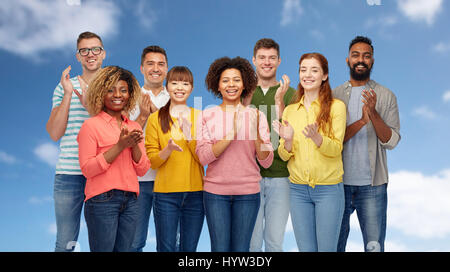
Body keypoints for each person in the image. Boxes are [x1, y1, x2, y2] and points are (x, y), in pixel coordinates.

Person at [196, 56, 274, 252]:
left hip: (247, 193)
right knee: (220, 249)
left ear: (245, 83)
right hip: (215, 194)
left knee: (241, 250)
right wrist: (232, 132)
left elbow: (266, 161)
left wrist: (255, 131)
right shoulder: (206, 115)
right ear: (218, 85)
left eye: (236, 80)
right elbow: (203, 157)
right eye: (225, 80)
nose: (231, 84)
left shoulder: (257, 115)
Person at [273, 52, 346, 252]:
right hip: (297, 191)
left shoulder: (336, 107)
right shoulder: (290, 110)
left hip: (328, 190)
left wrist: (318, 138)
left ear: (324, 75)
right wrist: (287, 141)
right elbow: (284, 153)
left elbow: (336, 148)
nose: (308, 74)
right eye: (303, 70)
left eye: (314, 70)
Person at [334, 36, 401, 252]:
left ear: (372, 61)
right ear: (347, 60)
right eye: (356, 55)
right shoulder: (334, 96)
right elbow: (331, 140)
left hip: (373, 187)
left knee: (374, 247)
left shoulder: (386, 95)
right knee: (334, 246)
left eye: (366, 56)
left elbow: (390, 141)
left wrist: (373, 114)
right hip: (337, 184)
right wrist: (362, 121)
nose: (360, 60)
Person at [77, 66, 150, 252]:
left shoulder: (134, 126)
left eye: (123, 90)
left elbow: (142, 169)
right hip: (102, 201)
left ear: (130, 94)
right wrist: (119, 146)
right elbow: (87, 169)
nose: (117, 95)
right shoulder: (90, 126)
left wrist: (133, 144)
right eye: (111, 89)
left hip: (131, 201)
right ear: (101, 92)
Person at [46, 31, 106, 252]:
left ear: (103, 53)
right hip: (69, 173)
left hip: (102, 173)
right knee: (66, 241)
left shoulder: (114, 86)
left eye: (95, 49)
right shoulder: (63, 87)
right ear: (78, 56)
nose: (90, 54)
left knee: (102, 242)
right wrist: (69, 95)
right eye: (84, 50)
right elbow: (54, 132)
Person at [244, 38, 296, 252]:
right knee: (252, 243)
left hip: (281, 176)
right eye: (262, 58)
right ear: (254, 60)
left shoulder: (292, 94)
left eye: (272, 58)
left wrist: (280, 103)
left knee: (275, 242)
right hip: (249, 178)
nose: (267, 62)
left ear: (279, 61)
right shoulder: (242, 92)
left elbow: (294, 133)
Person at [145, 66, 204, 252]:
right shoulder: (155, 119)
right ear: (167, 86)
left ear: (192, 88)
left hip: (196, 194)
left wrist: (189, 135)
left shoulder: (200, 116)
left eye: (185, 83)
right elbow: (152, 160)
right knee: (166, 248)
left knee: (189, 250)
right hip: (165, 195)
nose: (180, 87)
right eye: (175, 82)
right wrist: (168, 149)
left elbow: (204, 157)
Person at [130, 45, 170, 252]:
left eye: (160, 64)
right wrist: (143, 116)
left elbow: (175, 136)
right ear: (142, 68)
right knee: (135, 242)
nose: (156, 68)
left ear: (166, 68)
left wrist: (154, 113)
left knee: (168, 244)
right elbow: (123, 135)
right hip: (138, 181)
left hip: (168, 181)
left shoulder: (175, 96)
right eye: (150, 63)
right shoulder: (129, 97)